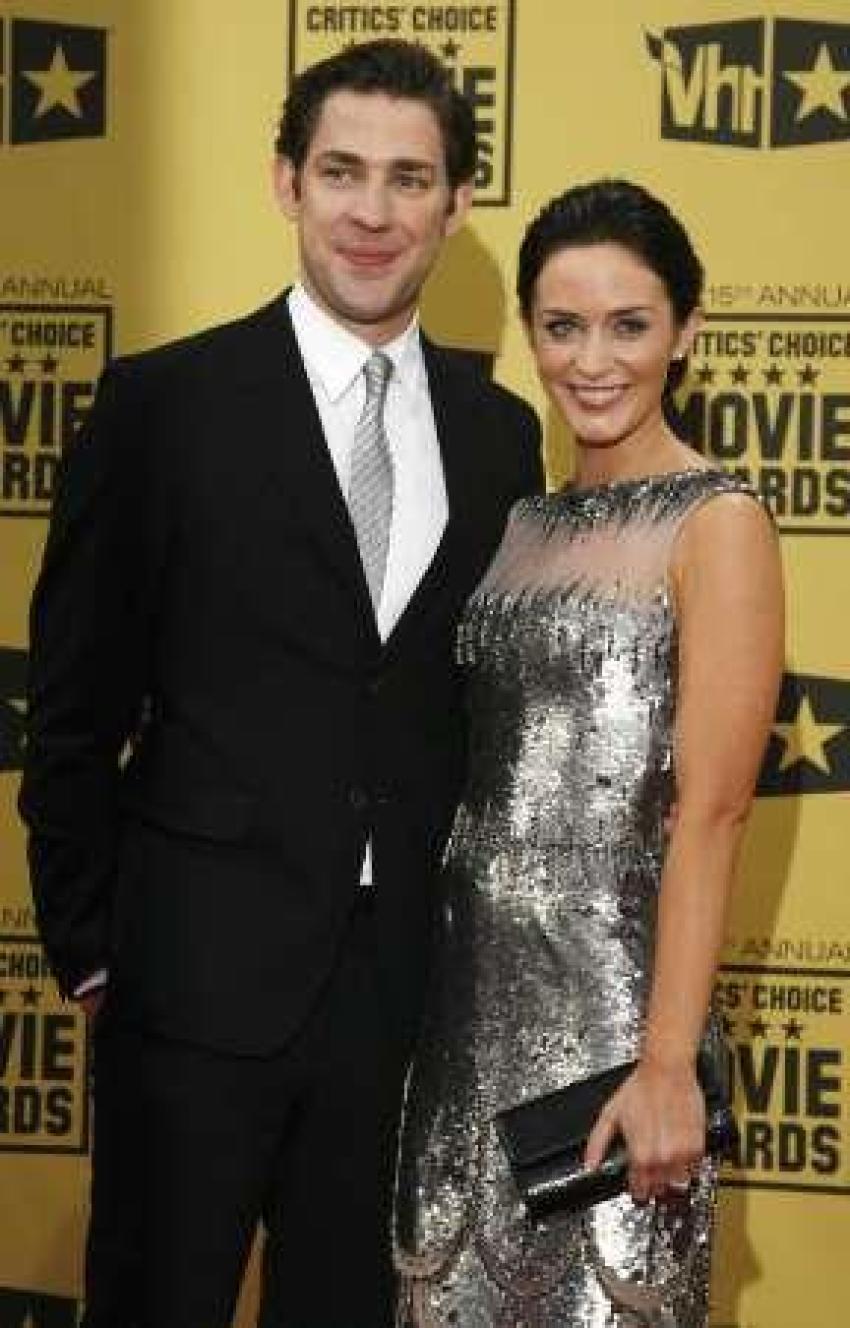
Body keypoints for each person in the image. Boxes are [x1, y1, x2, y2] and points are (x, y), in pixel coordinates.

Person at [19, 39, 543, 1328]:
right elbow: (73, 706)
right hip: (185, 983)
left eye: (408, 178)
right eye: (342, 171)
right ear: (285, 182)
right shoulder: (164, 404)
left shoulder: (499, 436)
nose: (372, 211)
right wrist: (91, 950)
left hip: (396, 999)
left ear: (456, 204)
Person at [393, 180, 784, 1327]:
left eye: (629, 324)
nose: (593, 360)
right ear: (530, 332)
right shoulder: (522, 522)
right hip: (463, 1035)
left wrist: (664, 1062)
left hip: (614, 1034)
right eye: (562, 326)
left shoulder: (715, 522)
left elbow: (710, 811)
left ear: (686, 330)